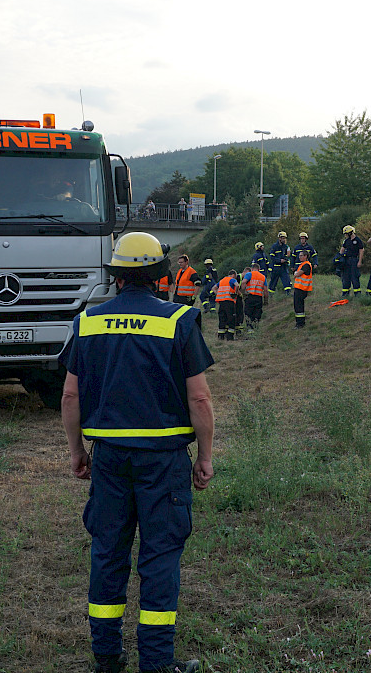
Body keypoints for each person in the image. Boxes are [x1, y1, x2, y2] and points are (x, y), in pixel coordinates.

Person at [58, 231, 214, 673]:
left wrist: (76, 451)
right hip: (163, 462)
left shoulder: (87, 322)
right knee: (160, 556)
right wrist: (204, 456)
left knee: (107, 551)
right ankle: (158, 663)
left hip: (108, 457)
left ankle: (107, 657)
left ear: (118, 276)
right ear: (160, 274)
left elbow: (70, 397)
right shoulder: (179, 322)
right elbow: (200, 400)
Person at [338, 225, 365, 298]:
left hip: (354, 260)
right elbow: (342, 249)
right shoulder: (346, 241)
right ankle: (345, 294)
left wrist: (359, 261)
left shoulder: (358, 240)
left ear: (350, 233)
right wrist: (339, 258)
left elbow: (361, 251)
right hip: (346, 261)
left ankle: (357, 294)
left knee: (355, 277)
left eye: (346, 234)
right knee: (346, 277)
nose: (346, 235)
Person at [215, 269, 239, 341]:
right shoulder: (232, 280)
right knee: (231, 318)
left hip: (221, 302)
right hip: (229, 301)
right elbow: (237, 285)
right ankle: (230, 337)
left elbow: (214, 288)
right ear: (233, 275)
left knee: (222, 318)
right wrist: (235, 293)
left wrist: (218, 294)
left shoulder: (222, 280)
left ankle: (221, 336)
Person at [292, 249, 314, 327]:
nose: (299, 257)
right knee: (297, 306)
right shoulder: (302, 265)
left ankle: (300, 323)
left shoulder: (306, 265)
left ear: (305, 256)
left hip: (302, 289)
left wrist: (296, 273)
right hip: (299, 288)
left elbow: (297, 274)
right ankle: (299, 322)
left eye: (301, 255)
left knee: (299, 306)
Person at [244, 262, 266, 329]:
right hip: (258, 298)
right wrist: (266, 300)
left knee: (248, 313)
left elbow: (243, 282)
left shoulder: (249, 274)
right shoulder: (263, 277)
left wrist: (243, 292)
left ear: (252, 268)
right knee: (257, 313)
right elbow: (266, 290)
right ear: (259, 269)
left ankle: (250, 329)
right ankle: (256, 327)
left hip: (249, 296)